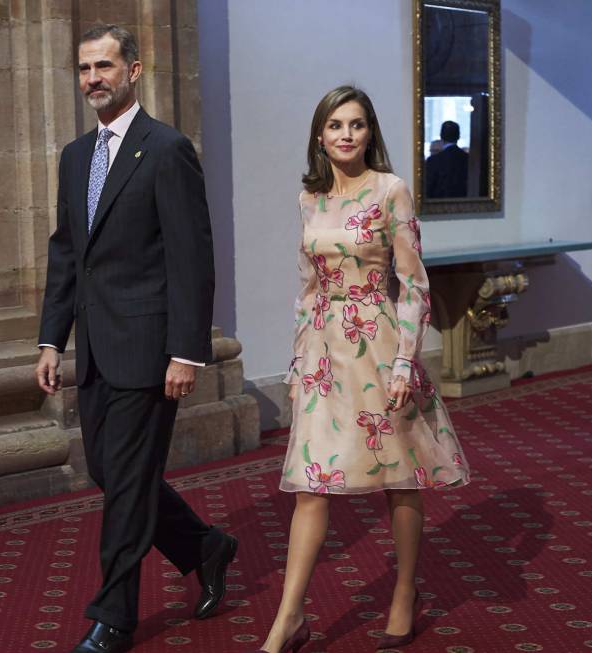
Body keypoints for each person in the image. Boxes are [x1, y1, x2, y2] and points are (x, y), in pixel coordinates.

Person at [35, 24, 238, 653]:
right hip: (95, 347)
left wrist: (186, 349)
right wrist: (51, 340)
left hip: (150, 348)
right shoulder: (75, 157)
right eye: (84, 68)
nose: (93, 78)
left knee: (124, 484)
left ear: (135, 70)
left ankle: (114, 618)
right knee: (109, 471)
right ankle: (203, 546)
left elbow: (191, 259)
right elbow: (69, 255)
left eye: (104, 65)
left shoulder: (167, 148)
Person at [251, 86, 471, 653]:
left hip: (377, 347)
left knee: (398, 479)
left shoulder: (390, 191)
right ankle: (289, 618)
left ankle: (403, 593)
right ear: (319, 137)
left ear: (369, 132)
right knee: (310, 485)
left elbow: (415, 284)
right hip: (324, 354)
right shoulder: (308, 199)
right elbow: (306, 289)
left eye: (356, 124)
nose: (346, 135)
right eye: (334, 125)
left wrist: (406, 362)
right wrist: (297, 365)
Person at [425, 120, 468, 198]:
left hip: (438, 205)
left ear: (441, 136)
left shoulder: (433, 161)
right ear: (458, 136)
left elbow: (428, 189)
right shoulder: (468, 159)